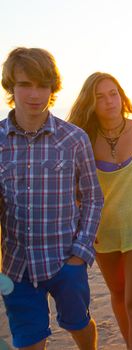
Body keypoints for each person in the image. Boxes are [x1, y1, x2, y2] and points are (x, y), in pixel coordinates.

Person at [0, 47, 103, 350]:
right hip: (16, 266)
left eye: (42, 85)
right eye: (25, 84)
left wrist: (79, 254)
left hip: (65, 262)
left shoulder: (74, 139)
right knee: (30, 343)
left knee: (79, 326)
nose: (35, 94)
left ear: (53, 88)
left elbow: (94, 198)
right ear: (11, 86)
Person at [68, 72, 132, 350]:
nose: (109, 101)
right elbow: (75, 188)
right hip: (103, 232)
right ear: (91, 103)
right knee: (119, 294)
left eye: (113, 93)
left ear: (122, 96)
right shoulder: (83, 138)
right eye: (100, 97)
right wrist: (83, 228)